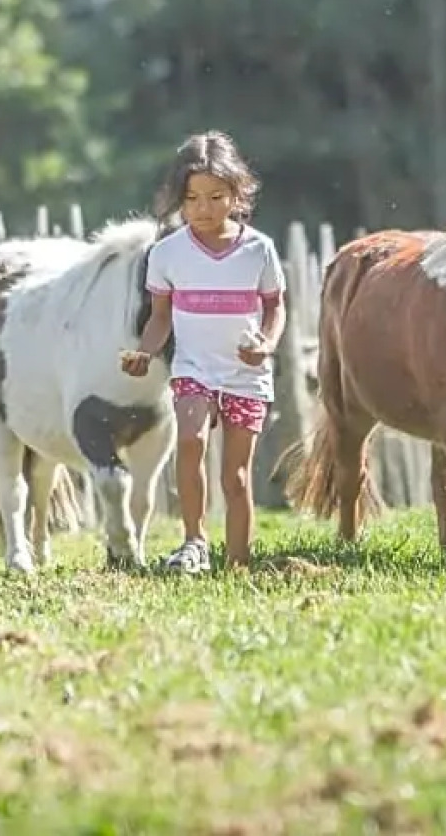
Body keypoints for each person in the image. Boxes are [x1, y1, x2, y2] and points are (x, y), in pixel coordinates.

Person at [121, 130, 286, 573]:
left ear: (237, 194)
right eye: (192, 199)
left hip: (246, 375)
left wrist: (267, 344)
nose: (203, 209)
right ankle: (194, 541)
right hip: (193, 369)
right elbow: (160, 317)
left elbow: (275, 307)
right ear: (179, 198)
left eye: (216, 197)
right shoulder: (167, 254)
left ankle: (238, 563)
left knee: (236, 476)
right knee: (190, 440)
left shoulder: (259, 250)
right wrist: (145, 352)